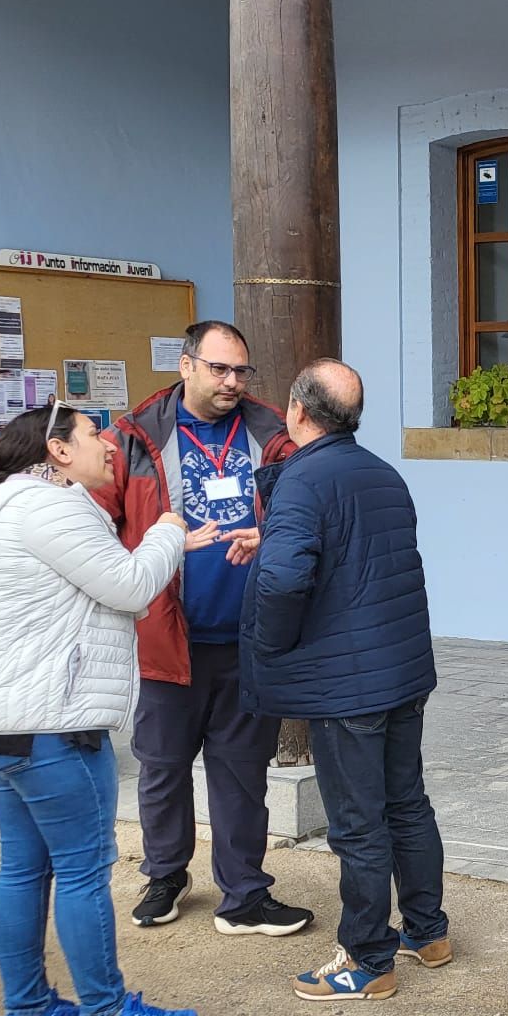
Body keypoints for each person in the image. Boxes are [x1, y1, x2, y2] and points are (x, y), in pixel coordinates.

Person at [0, 401, 213, 1016]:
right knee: (84, 870)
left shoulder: (13, 507)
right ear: (58, 450)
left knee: (24, 868)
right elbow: (127, 587)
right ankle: (106, 1014)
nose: (110, 445)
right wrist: (169, 531)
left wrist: (163, 545)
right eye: (95, 435)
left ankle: (28, 1015)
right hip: (47, 728)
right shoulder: (53, 508)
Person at [92, 320, 312, 939]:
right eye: (219, 369)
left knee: (242, 771)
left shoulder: (273, 431)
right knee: (161, 767)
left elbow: (307, 509)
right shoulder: (133, 438)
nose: (232, 382)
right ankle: (166, 875)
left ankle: (244, 894)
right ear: (186, 365)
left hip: (248, 637)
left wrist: (271, 536)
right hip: (168, 636)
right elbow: (94, 524)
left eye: (241, 370)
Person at [241, 361, 446, 1001]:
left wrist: (272, 644)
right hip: (399, 669)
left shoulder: (303, 480)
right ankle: (427, 930)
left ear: (298, 410)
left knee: (357, 823)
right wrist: (275, 536)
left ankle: (365, 958)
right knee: (405, 801)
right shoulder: (381, 473)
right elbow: (353, 553)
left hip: (345, 683)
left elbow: (282, 581)